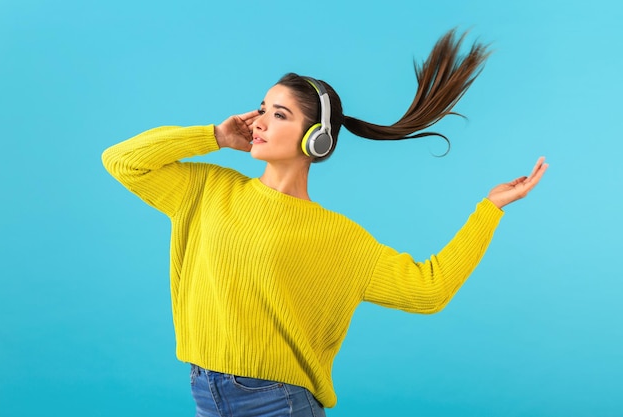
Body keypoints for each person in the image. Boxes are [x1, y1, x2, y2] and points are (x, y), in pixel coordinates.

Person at [102, 29, 548, 417]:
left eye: (279, 114)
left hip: (278, 403)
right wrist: (215, 136)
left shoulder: (340, 238)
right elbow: (121, 161)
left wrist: (489, 210)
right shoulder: (207, 189)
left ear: (316, 139)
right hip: (206, 392)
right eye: (261, 108)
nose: (258, 122)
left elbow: (427, 290)